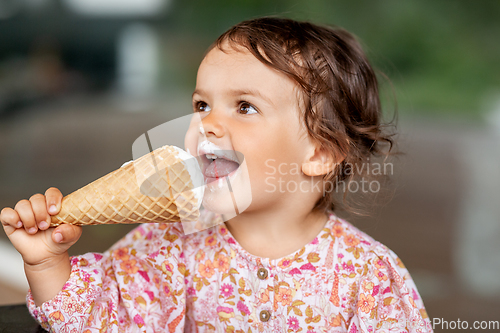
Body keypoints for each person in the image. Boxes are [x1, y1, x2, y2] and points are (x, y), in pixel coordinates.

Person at [1, 17, 433, 332]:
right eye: (202, 104)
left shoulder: (368, 275)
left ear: (319, 153)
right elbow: (102, 320)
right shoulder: (167, 241)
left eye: (245, 107)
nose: (205, 123)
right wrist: (48, 262)